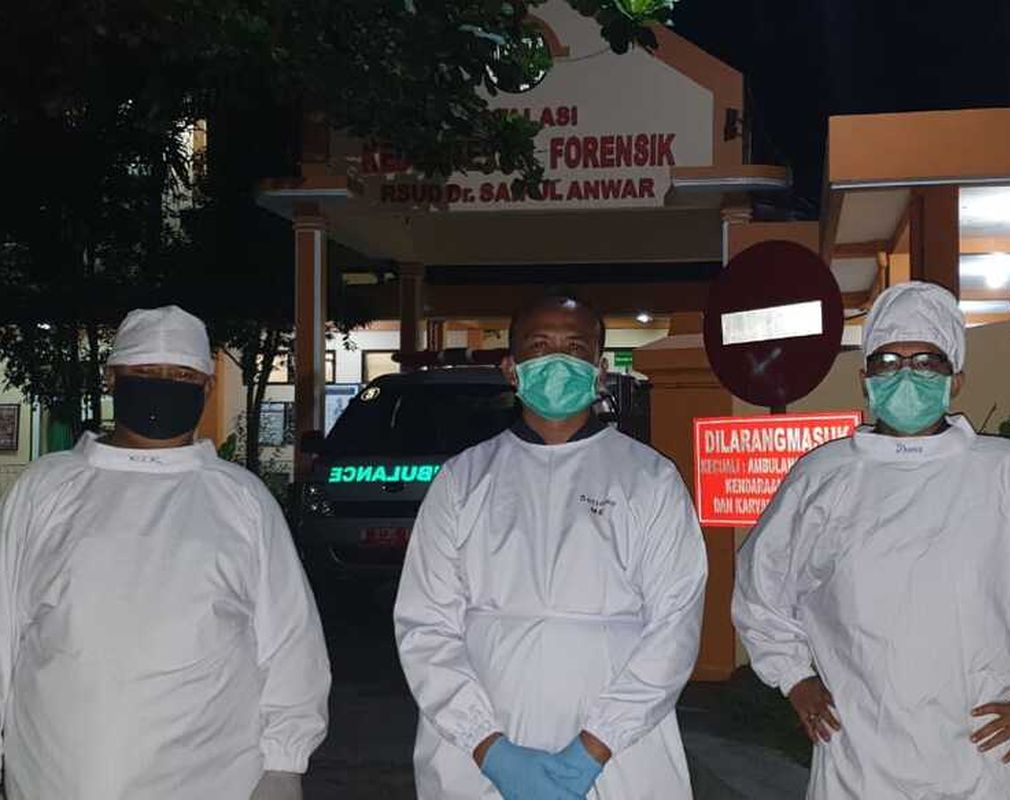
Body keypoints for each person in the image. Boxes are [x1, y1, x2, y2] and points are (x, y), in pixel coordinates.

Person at [732, 281, 1010, 799]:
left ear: (956, 381)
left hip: (981, 760)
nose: (907, 375)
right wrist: (795, 679)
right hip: (859, 761)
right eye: (888, 361)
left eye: (927, 362)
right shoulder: (824, 479)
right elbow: (761, 592)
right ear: (865, 378)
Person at [0, 306, 330, 800]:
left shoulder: (240, 499)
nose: (164, 385)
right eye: (146, 374)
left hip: (210, 776)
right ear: (112, 379)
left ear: (207, 388)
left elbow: (288, 641)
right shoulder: (47, 489)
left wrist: (284, 764)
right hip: (56, 773)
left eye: (181, 375)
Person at [395, 293, 707, 800]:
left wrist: (595, 746)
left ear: (600, 370)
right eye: (539, 347)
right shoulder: (463, 480)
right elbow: (424, 624)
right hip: (479, 745)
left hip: (618, 749)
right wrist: (487, 745)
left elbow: (675, 626)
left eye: (576, 348)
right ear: (511, 369)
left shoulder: (649, 479)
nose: (558, 361)